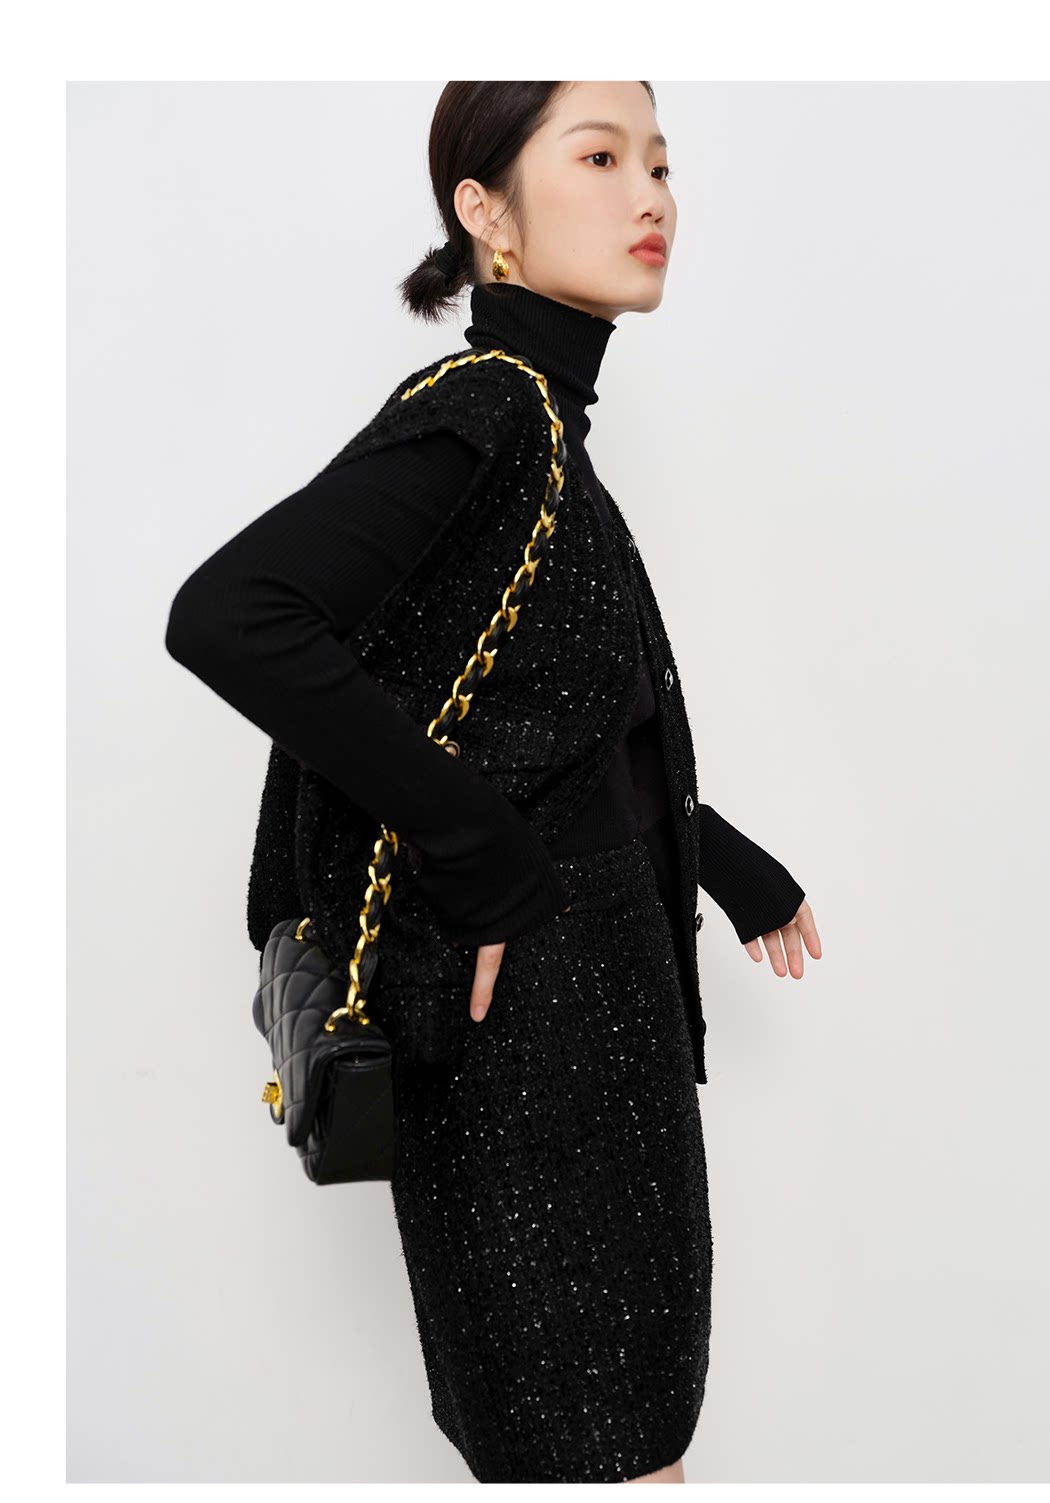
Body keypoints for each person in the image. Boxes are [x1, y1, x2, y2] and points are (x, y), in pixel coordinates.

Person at [166, 80, 822, 1485]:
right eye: (601, 157)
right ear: (486, 212)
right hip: (536, 1045)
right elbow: (233, 615)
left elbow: (534, 720)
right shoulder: (492, 410)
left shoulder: (546, 434)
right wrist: (482, 854)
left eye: (660, 164)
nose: (651, 196)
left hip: (598, 1022)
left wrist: (713, 853)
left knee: (624, 1448)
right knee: (597, 1448)